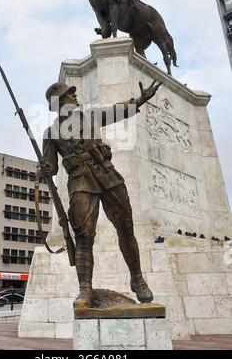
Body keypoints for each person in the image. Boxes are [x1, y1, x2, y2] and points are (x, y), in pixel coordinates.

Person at [40, 79, 162, 308]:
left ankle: (137, 278)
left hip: (107, 174)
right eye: (69, 94)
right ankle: (85, 289)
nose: (75, 96)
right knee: (84, 236)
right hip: (80, 182)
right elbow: (51, 167)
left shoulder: (90, 117)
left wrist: (141, 99)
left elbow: (117, 112)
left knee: (126, 228)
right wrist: (44, 169)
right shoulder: (50, 133)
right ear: (59, 102)